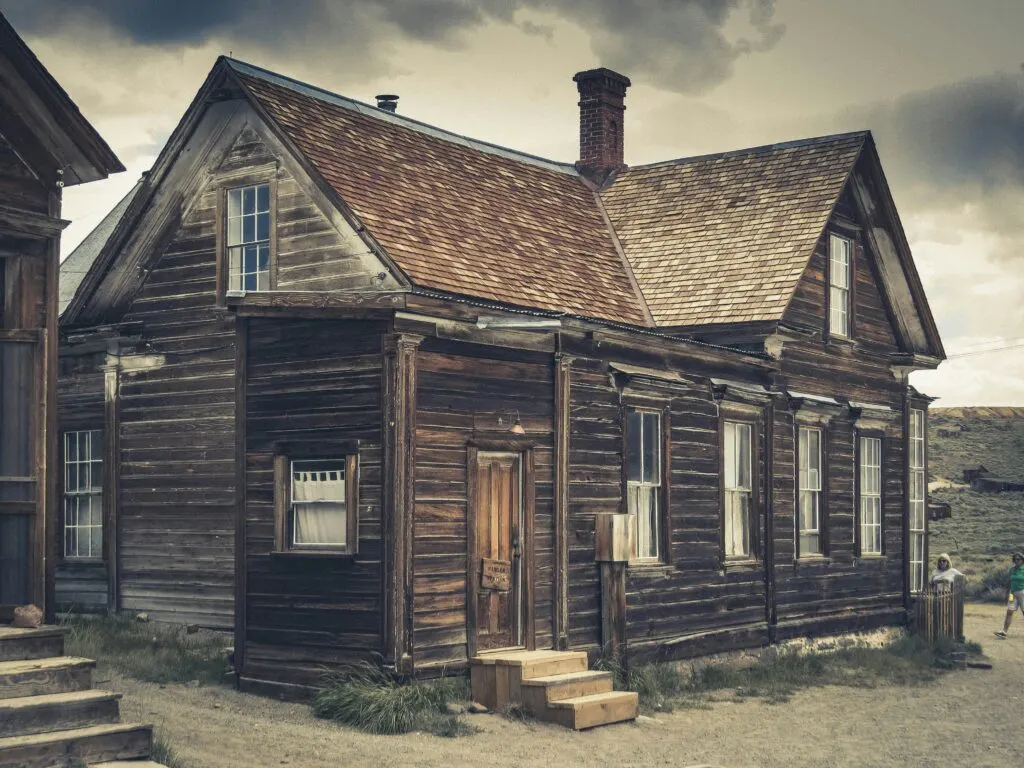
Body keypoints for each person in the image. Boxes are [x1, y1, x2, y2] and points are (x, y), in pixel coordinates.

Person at [994, 552, 1024, 638]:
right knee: (1009, 612)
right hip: (1012, 593)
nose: (1016, 561)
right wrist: (1007, 593)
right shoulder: (1012, 569)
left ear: (1022, 560)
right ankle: (1004, 632)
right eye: (1015, 559)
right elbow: (1009, 582)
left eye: (1018, 559)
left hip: (1022, 593)